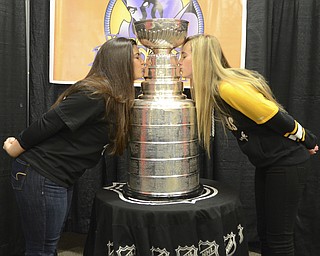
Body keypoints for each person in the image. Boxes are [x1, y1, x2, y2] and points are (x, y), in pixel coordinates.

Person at [178, 34, 318, 256]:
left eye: (183, 55)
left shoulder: (226, 88)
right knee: (266, 236)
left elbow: (276, 116)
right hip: (269, 164)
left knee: (279, 241)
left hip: (286, 163)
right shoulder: (215, 90)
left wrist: (308, 140)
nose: (179, 60)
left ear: (199, 58)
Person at [2, 37, 145, 256]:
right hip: (41, 174)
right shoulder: (96, 94)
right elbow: (49, 122)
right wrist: (17, 145)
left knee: (47, 246)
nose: (142, 61)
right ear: (120, 61)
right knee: (42, 250)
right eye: (137, 56)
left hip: (56, 178)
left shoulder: (114, 96)